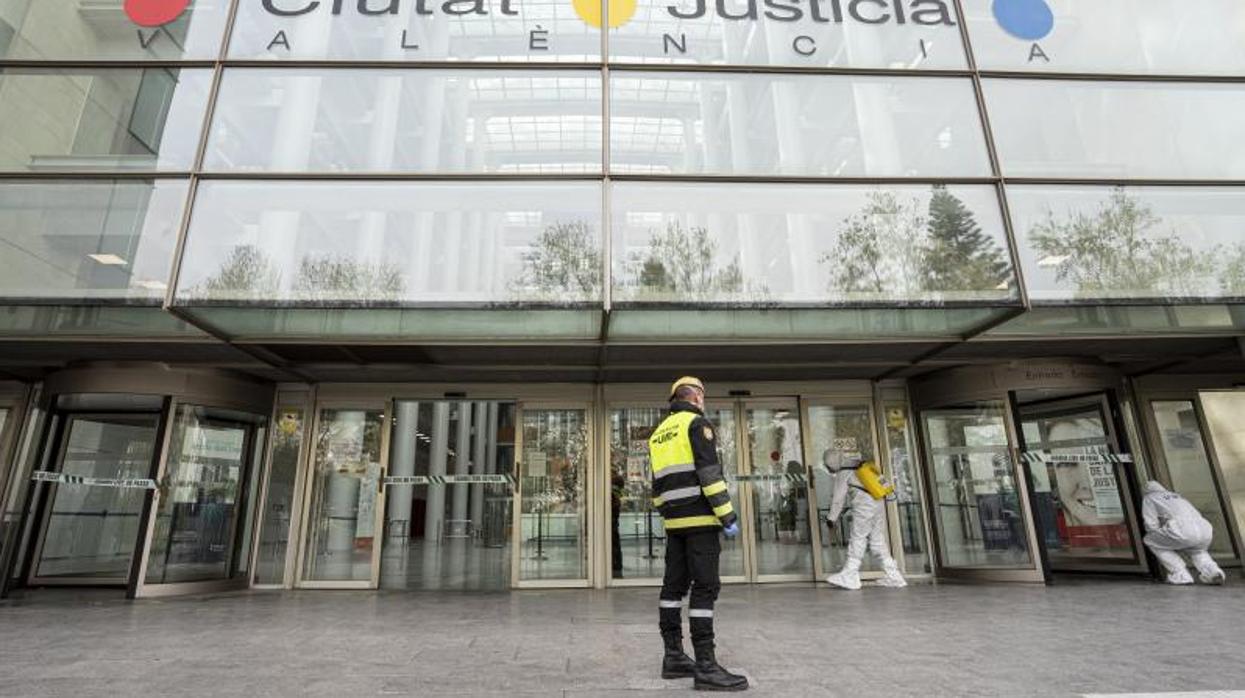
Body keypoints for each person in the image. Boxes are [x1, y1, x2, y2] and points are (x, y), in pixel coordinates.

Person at [649, 376, 748, 692]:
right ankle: (705, 665)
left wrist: (669, 512)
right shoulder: (697, 424)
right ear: (696, 396)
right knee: (705, 587)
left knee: (673, 587)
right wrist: (727, 515)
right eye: (702, 395)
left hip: (674, 523)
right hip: (701, 519)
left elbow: (656, 487)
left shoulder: (658, 434)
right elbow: (709, 474)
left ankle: (674, 656)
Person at [823, 450, 907, 590]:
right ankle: (894, 575)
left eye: (828, 466)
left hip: (863, 507)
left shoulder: (844, 473)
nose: (829, 469)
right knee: (877, 540)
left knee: (858, 537)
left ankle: (850, 575)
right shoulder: (860, 464)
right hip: (878, 502)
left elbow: (838, 500)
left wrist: (831, 518)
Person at [1142, 481, 1226, 585]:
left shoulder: (1150, 497)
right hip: (1204, 529)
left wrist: (1159, 535)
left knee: (1150, 541)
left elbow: (1151, 524)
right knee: (1197, 551)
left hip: (1182, 529)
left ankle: (1180, 574)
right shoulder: (1177, 496)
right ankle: (1213, 571)